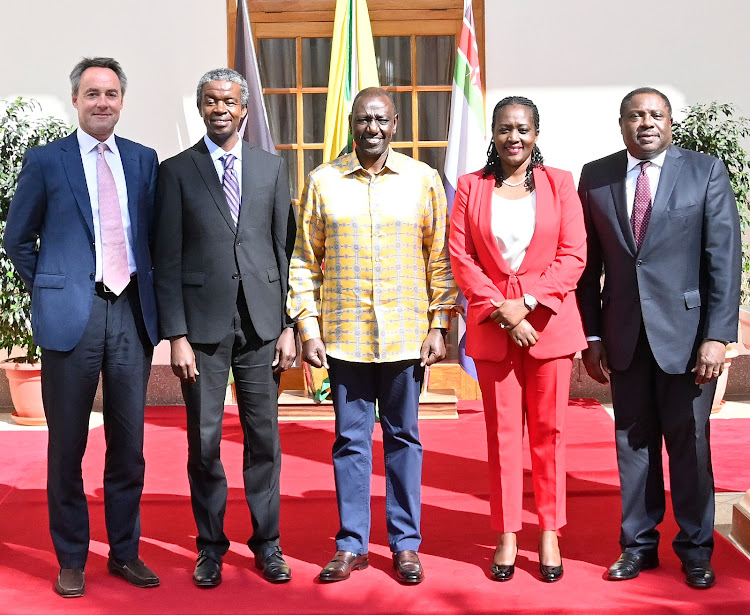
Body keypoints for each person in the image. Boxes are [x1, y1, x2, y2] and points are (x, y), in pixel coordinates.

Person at [287, 87, 457, 585]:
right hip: (345, 337)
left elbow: (439, 258)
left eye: (381, 120)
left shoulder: (423, 181)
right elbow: (303, 259)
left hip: (406, 336)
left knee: (405, 439)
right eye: (364, 119)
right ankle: (351, 544)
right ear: (351, 122)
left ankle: (406, 545)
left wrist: (438, 323)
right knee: (350, 441)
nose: (372, 129)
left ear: (396, 122)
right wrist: (308, 325)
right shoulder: (323, 181)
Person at [4, 57, 160, 597]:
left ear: (122, 100)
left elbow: (154, 238)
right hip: (74, 314)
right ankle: (71, 556)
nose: (102, 102)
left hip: (131, 313)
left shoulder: (144, 160)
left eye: (111, 93)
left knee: (129, 445)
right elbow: (17, 239)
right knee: (66, 445)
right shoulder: (47, 161)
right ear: (75, 100)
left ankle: (124, 552)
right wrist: (52, 285)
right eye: (92, 93)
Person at [576, 87, 741, 589]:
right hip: (624, 337)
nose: (645, 123)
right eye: (635, 115)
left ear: (670, 122)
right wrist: (592, 334)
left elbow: (724, 260)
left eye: (655, 114)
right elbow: (588, 268)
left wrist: (717, 336)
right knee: (633, 444)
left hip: (690, 341)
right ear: (621, 124)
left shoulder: (705, 171)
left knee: (690, 446)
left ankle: (695, 547)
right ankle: (638, 545)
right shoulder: (597, 176)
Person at [152, 68, 296, 588]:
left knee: (264, 440)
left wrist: (286, 325)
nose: (220, 109)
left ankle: (268, 544)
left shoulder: (271, 169)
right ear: (200, 107)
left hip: (261, 326)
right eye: (211, 101)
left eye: (230, 102)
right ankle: (210, 546)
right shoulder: (176, 172)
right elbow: (165, 258)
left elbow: (285, 248)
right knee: (205, 442)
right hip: (202, 331)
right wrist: (177, 335)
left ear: (245, 110)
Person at [449, 96, 587, 583]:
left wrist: (525, 302)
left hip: (548, 326)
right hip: (494, 330)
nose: (514, 138)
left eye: (523, 129)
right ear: (492, 132)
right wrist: (505, 313)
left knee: (550, 435)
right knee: (503, 437)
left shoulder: (560, 184)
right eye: (505, 129)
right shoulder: (470, 187)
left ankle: (549, 530)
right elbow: (461, 258)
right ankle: (507, 530)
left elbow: (573, 256)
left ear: (536, 133)